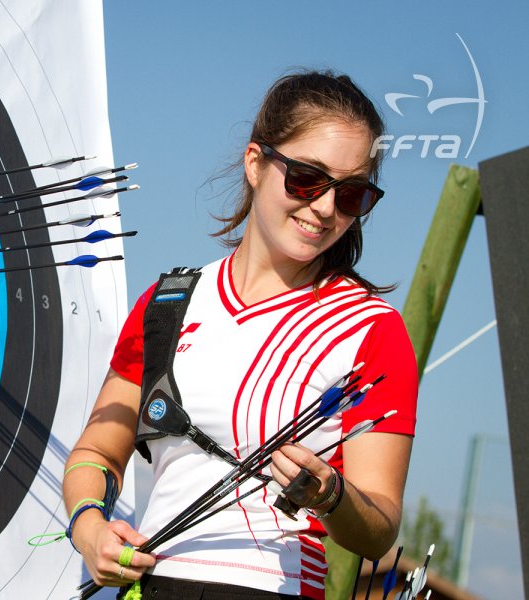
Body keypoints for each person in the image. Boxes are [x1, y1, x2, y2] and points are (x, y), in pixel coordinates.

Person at [62, 70, 419, 600]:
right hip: (151, 584)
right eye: (306, 178)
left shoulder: (372, 330)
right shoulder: (169, 303)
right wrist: (89, 528)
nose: (324, 207)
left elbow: (380, 525)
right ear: (256, 163)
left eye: (352, 195)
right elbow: (98, 448)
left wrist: (331, 494)